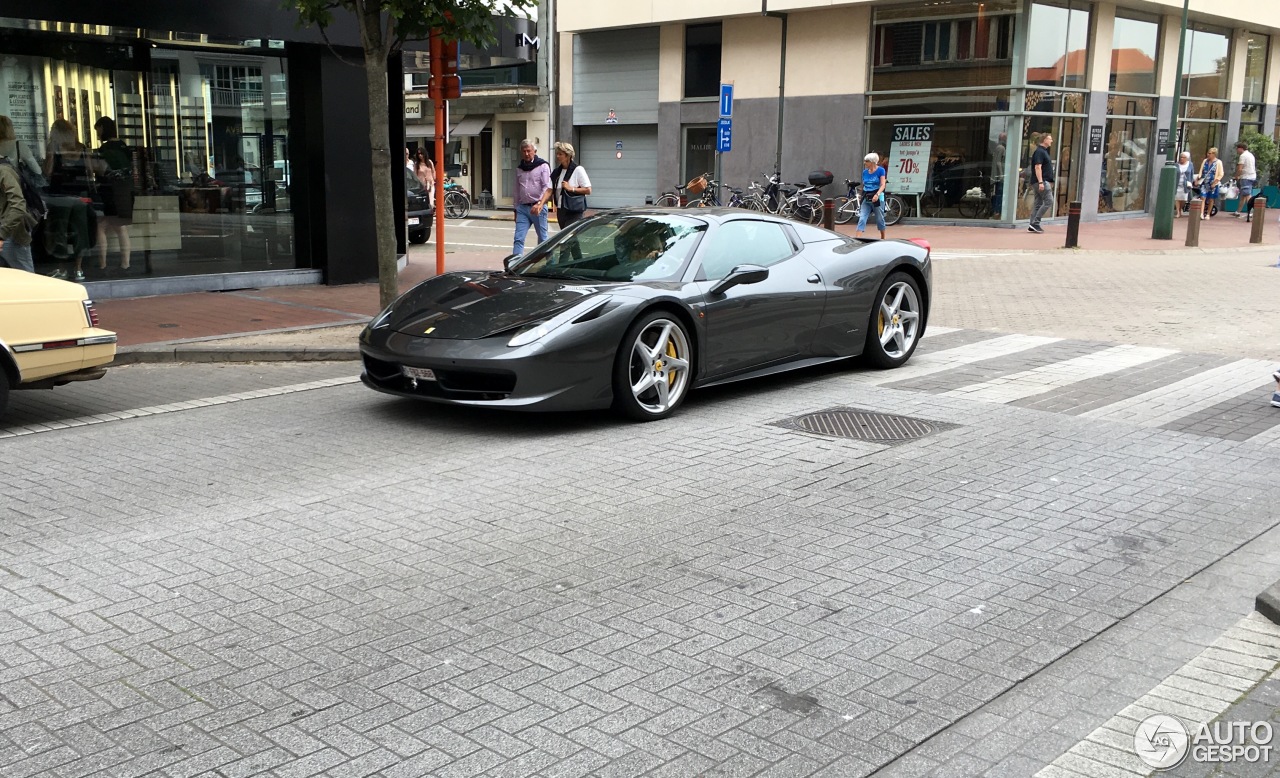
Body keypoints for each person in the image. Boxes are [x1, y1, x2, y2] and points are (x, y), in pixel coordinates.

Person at [43, 118, 96, 281]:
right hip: (80, 195)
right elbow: (90, 170)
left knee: (59, 231)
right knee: (80, 231)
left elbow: (48, 171)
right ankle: (79, 269)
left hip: (60, 196)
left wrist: (49, 158)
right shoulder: (82, 148)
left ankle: (61, 269)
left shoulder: (54, 147)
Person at [92, 116, 132, 272]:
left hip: (108, 190)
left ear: (102, 128)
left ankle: (102, 263)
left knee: (100, 226)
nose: (97, 134)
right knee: (121, 227)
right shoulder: (124, 146)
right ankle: (125, 263)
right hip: (124, 190)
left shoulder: (105, 149)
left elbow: (100, 169)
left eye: (98, 130)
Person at [512, 139, 551, 255]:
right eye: (524, 151)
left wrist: (540, 203)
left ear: (535, 151)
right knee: (518, 238)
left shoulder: (543, 166)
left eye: (529, 151)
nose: (526, 154)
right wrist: (515, 209)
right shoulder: (519, 168)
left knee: (543, 239)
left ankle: (546, 264)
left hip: (537, 207)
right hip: (523, 208)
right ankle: (515, 263)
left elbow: (546, 187)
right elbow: (516, 190)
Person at [0, 147, 33, 272]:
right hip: (6, 232)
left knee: (26, 278)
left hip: (11, 233)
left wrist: (2, 235)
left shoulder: (4, 171)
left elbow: (18, 205)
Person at [550, 141, 592, 230]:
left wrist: (571, 188)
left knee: (569, 237)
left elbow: (588, 190)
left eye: (560, 154)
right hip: (561, 210)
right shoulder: (557, 172)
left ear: (568, 155)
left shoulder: (578, 170)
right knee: (568, 239)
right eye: (557, 154)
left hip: (574, 210)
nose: (557, 156)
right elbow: (550, 189)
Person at [855, 152, 887, 239]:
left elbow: (883, 184)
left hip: (877, 197)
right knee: (862, 218)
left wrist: (877, 194)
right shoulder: (865, 172)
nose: (865, 162)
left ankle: (883, 237)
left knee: (880, 219)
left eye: (867, 161)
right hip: (866, 197)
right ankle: (858, 238)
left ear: (872, 162)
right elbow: (864, 184)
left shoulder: (881, 170)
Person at [1028, 132, 1054, 233]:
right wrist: (1041, 182)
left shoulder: (1043, 151)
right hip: (1041, 181)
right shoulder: (1040, 152)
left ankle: (1032, 225)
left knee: (1038, 203)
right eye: (1050, 139)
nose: (1051, 141)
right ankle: (1036, 223)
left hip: (1040, 181)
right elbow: (1037, 167)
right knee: (1049, 201)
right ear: (1044, 140)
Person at [1195, 147, 1224, 221]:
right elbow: (1201, 171)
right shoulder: (1205, 161)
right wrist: (1198, 178)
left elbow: (1221, 174)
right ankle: (1201, 213)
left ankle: (1208, 214)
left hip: (1213, 183)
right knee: (1202, 197)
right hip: (1204, 182)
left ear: (1214, 154)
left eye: (1210, 153)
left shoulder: (1218, 162)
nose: (1208, 154)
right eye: (1208, 153)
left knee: (1211, 199)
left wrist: (1215, 182)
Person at [1234, 141, 1256, 221]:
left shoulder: (1243, 156)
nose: (1237, 150)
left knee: (1247, 194)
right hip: (1252, 176)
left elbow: (1240, 168)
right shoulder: (1250, 155)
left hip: (1246, 176)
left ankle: (1251, 211)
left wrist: (1236, 176)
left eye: (1237, 149)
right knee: (1243, 195)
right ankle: (1238, 211)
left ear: (1240, 148)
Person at [1174, 151, 1194, 218]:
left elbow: (1191, 174)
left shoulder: (1190, 164)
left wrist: (1191, 182)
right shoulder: (1176, 165)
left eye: (1183, 157)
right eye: (1181, 157)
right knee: (1177, 198)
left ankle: (1180, 208)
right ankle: (1178, 212)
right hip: (1177, 184)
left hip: (1185, 184)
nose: (1181, 158)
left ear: (1187, 158)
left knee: (1184, 199)